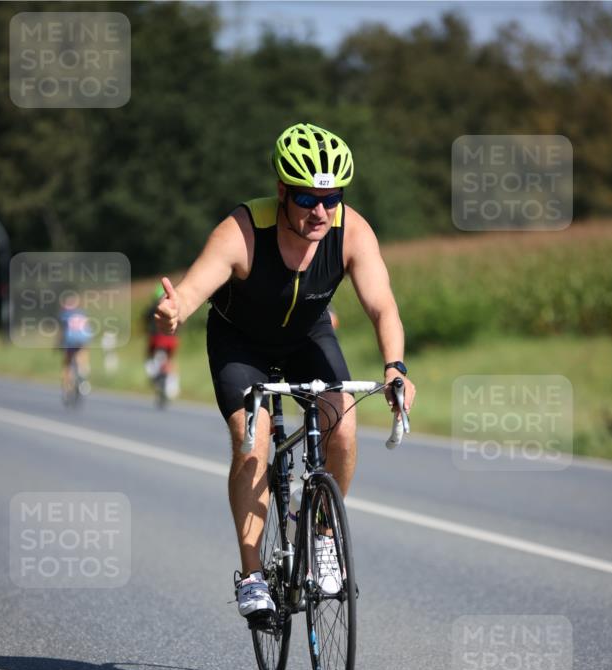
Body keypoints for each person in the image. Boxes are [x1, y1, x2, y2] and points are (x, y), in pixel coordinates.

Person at [154, 122, 416, 622]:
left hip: (306, 335)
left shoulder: (351, 231)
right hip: (240, 342)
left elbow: (383, 307)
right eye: (305, 198)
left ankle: (321, 537)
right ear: (281, 192)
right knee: (252, 441)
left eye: (331, 197)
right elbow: (193, 289)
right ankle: (252, 576)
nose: (320, 211)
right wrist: (176, 310)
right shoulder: (242, 231)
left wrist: (395, 367)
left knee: (343, 423)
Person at [144, 282, 180, 400]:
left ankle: (154, 376)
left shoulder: (154, 307)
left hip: (157, 339)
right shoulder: (174, 306)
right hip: (172, 340)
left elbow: (145, 320)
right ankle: (173, 383)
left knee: (149, 355)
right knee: (170, 360)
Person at [58, 291, 93, 398]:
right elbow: (87, 327)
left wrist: (58, 344)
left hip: (70, 340)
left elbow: (62, 331)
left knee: (67, 363)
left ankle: (67, 386)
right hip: (83, 338)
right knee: (82, 355)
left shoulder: (64, 314)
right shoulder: (82, 313)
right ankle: (83, 375)